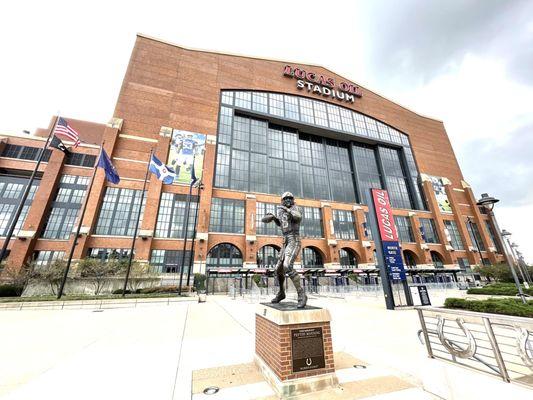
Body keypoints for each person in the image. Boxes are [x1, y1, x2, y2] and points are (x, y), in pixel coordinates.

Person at [262, 192, 307, 308]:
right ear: (282, 200)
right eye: (285, 198)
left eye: (289, 198)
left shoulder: (296, 208)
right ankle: (281, 293)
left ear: (293, 199)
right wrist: (273, 218)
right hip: (285, 240)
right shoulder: (281, 211)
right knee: (278, 269)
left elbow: (298, 217)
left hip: (294, 239)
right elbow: (282, 223)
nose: (287, 200)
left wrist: (286, 210)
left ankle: (302, 294)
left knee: (287, 266)